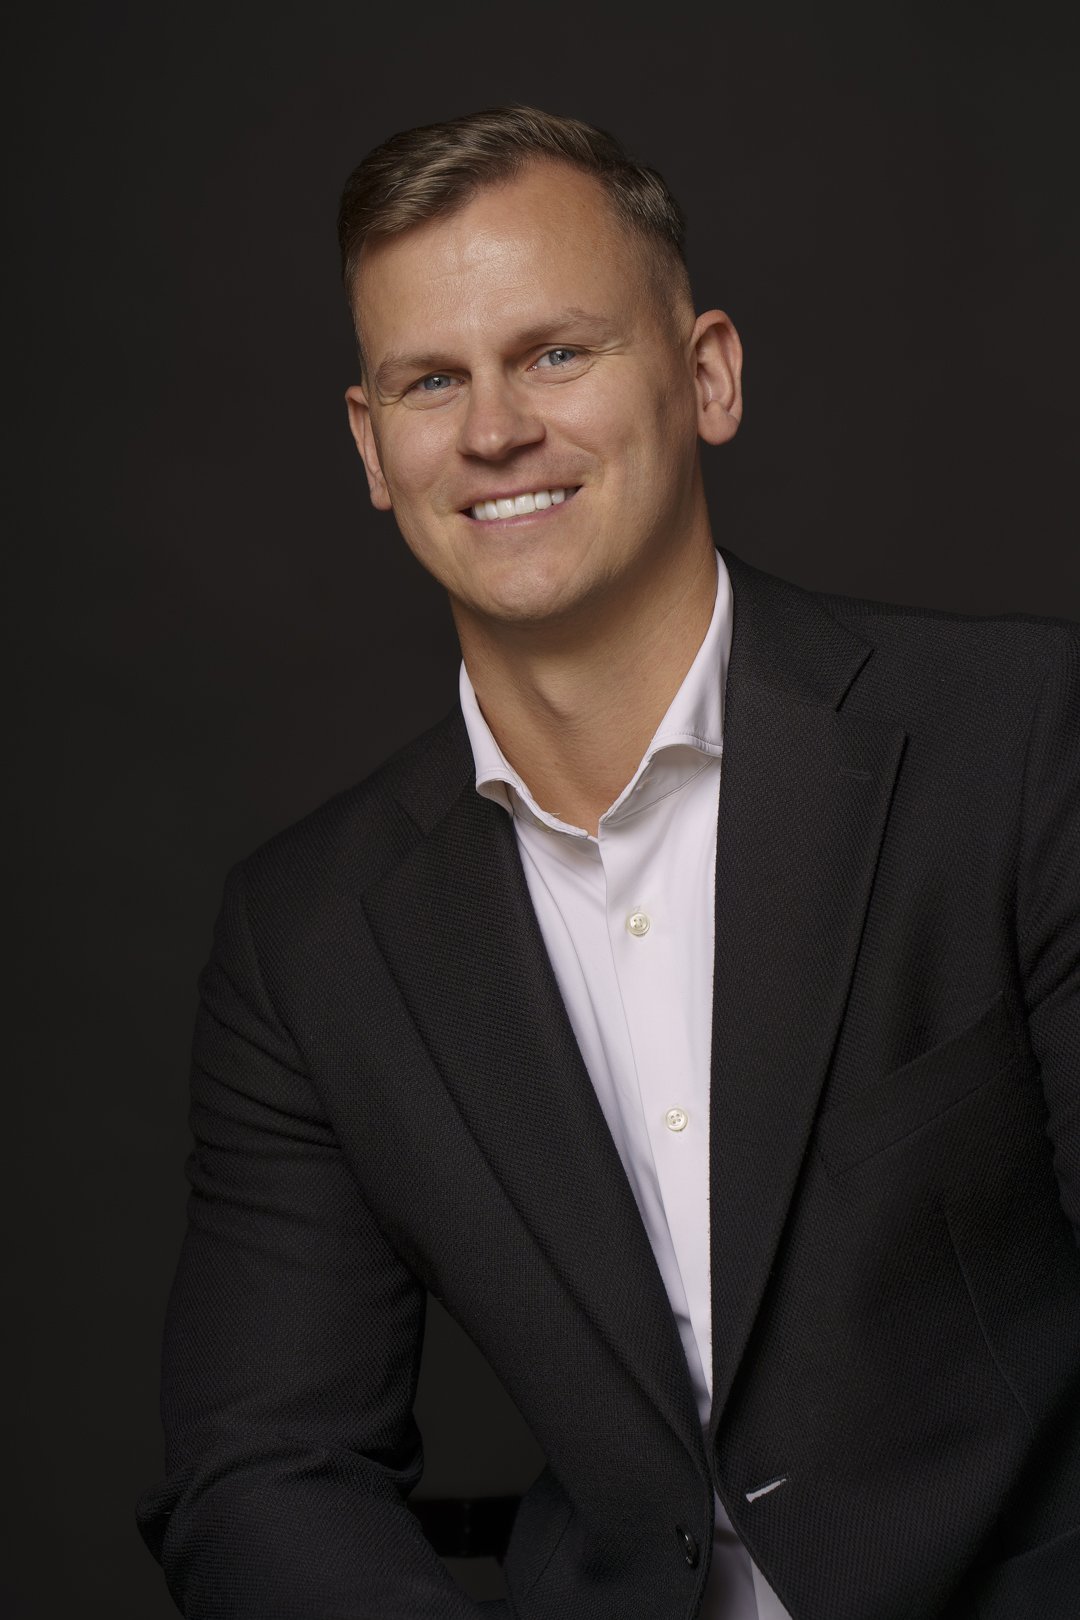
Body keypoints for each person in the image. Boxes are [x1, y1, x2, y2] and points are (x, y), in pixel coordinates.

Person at [136, 105, 1080, 1619]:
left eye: (556, 354)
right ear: (373, 448)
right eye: (432, 381)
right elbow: (264, 1471)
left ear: (709, 377)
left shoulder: (1022, 744)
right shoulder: (304, 940)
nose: (494, 431)